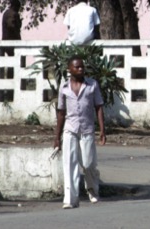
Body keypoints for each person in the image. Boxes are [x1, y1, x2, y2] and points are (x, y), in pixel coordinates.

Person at [54, 54, 106, 208]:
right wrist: (57, 137)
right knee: (69, 164)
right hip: (70, 129)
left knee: (89, 163)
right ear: (69, 69)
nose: (81, 69)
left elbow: (99, 107)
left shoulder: (92, 85)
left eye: (82, 66)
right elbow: (61, 113)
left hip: (87, 129)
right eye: (77, 67)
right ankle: (70, 199)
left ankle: (92, 190)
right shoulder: (63, 88)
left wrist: (102, 130)